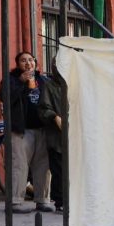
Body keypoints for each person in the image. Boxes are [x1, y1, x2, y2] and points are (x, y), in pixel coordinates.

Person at [0, 51, 54, 214]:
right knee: (19, 165)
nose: (28, 63)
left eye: (31, 60)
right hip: (21, 130)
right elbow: (3, 97)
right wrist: (21, 82)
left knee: (43, 166)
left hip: (42, 129)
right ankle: (14, 202)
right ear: (18, 64)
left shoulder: (42, 80)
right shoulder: (11, 79)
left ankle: (42, 200)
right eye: (23, 60)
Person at [38, 63, 68, 212]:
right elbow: (44, 108)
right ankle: (61, 201)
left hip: (74, 134)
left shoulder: (74, 83)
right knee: (59, 170)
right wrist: (55, 117)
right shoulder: (49, 86)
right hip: (56, 136)